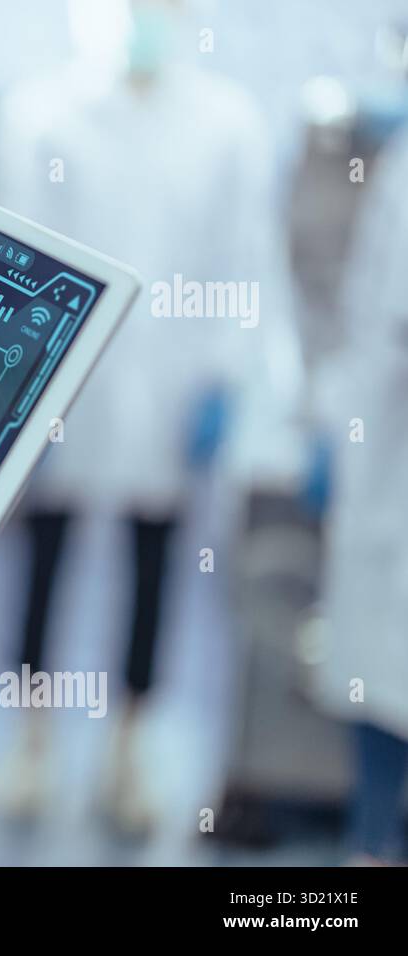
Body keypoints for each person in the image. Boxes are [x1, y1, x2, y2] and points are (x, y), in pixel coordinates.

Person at [0, 0, 304, 832]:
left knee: (154, 565)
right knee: (42, 565)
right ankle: (32, 743)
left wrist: (228, 379)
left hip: (172, 386)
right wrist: (18, 384)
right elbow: (16, 253)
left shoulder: (226, 122)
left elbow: (246, 260)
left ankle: (128, 750)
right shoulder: (43, 110)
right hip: (63, 384)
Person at [312, 126, 408, 864]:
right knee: (377, 660)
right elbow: (371, 303)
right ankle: (370, 842)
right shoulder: (399, 155)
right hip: (384, 439)